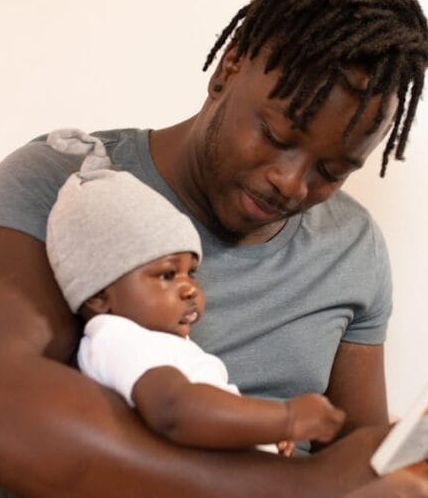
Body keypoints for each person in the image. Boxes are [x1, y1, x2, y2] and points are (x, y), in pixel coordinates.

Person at [0, 0, 428, 495]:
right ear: (229, 69)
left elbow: (352, 447)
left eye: (333, 170)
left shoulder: (353, 245)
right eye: (277, 135)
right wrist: (297, 490)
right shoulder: (70, 185)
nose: (292, 184)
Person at [45, 128, 344, 455]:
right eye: (168, 274)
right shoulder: (117, 340)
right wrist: (282, 418)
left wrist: (259, 439)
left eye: (192, 272)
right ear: (99, 295)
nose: (189, 288)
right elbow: (174, 411)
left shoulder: (156, 342)